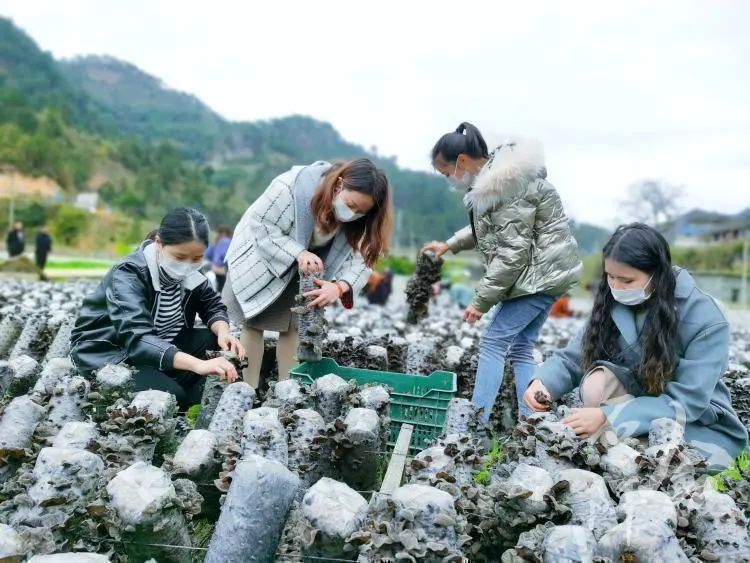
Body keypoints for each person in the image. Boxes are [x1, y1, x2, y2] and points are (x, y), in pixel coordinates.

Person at [525, 223, 748, 471]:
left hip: (692, 417)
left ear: (657, 275)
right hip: (639, 396)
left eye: (627, 280)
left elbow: (688, 401)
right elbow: (573, 357)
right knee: (595, 384)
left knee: (660, 460)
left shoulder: (705, 317)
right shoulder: (611, 300)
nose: (617, 287)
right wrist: (542, 382)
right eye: (610, 276)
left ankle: (617, 434)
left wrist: (610, 416)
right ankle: (617, 434)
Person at [423, 123, 581, 422]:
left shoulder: (507, 187)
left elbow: (511, 254)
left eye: (447, 173)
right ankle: (531, 421)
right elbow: (489, 231)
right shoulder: (499, 180)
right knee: (521, 347)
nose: (450, 181)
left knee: (493, 343)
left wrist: (479, 302)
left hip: (537, 277)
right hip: (547, 274)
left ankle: (474, 422)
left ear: (462, 162)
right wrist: (451, 244)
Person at [224, 158, 392, 387]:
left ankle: (287, 391)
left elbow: (362, 259)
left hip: (310, 265)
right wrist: (298, 253)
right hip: (265, 254)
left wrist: (340, 286)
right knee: (254, 321)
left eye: (361, 211)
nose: (353, 214)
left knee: (295, 324)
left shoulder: (364, 220)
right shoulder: (289, 188)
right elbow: (262, 227)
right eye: (351, 205)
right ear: (339, 184)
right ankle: (246, 390)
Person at [70, 207, 245, 410]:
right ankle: (176, 392)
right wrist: (199, 365)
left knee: (215, 341)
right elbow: (138, 338)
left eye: (197, 258)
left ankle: (185, 395)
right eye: (179, 257)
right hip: (114, 352)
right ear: (159, 244)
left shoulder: (191, 272)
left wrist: (224, 332)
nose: (187, 265)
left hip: (161, 344)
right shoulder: (128, 273)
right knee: (170, 397)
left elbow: (211, 304)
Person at [205, 226, 232, 293]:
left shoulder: (227, 242)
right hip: (219, 271)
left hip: (226, 270)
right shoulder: (214, 245)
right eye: (221, 235)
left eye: (225, 235)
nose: (223, 237)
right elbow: (208, 255)